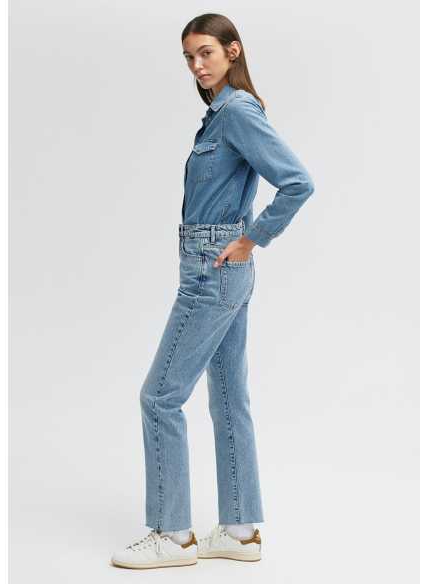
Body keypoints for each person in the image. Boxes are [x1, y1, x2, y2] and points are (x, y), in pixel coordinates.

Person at [111, 13, 315, 570]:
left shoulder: (238, 112)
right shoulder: (220, 115)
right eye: (189, 57)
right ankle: (240, 531)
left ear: (232, 51)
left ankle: (172, 536)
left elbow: (298, 182)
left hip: (214, 268)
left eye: (205, 53)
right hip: (219, 267)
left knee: (160, 397)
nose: (197, 65)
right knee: (227, 397)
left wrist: (253, 238)